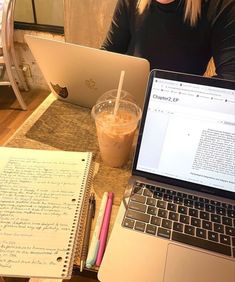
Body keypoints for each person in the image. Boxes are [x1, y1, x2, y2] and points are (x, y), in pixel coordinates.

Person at [101, 0, 235, 80]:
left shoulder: (221, 6)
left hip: (178, 108)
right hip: (129, 102)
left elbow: (230, 79)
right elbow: (109, 54)